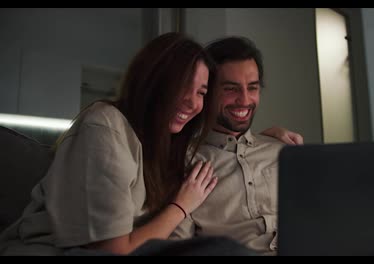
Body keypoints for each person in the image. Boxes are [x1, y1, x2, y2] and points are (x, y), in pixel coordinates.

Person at [0, 32, 301, 256]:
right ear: (153, 79)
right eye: (182, 85)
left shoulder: (164, 146)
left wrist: (262, 139)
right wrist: (181, 206)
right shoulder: (105, 125)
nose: (191, 101)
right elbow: (115, 249)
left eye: (200, 92)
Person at [170, 36, 296, 255]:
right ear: (207, 92)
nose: (245, 100)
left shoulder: (283, 149)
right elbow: (179, 247)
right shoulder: (185, 163)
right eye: (231, 89)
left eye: (253, 88)